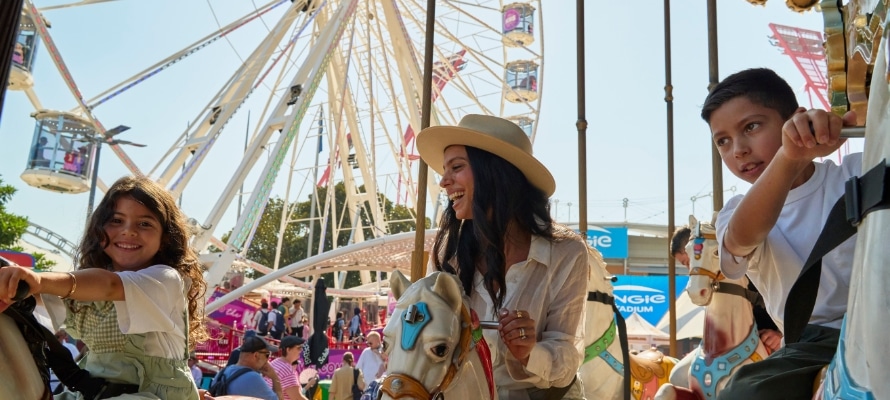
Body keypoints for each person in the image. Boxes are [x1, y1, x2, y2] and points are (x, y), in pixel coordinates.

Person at [701, 68, 860, 400]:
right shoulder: (735, 212)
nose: (739, 149)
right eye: (723, 141)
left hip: (876, 316)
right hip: (815, 344)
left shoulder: (857, 171)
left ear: (795, 119)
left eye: (751, 127)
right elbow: (743, 237)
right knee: (743, 392)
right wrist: (790, 156)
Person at [416, 114, 588, 399]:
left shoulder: (566, 252)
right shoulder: (448, 250)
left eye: (456, 167)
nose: (444, 181)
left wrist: (530, 352)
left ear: (493, 173)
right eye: (444, 171)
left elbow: (567, 355)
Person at [0, 175, 209, 399]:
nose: (129, 231)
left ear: (166, 237)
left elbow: (109, 286)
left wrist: (38, 281)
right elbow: (37, 299)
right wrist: (12, 288)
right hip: (94, 391)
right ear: (99, 230)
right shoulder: (86, 288)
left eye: (145, 224)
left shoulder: (165, 279)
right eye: (116, 220)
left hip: (150, 394)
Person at [670, 225, 782, 352]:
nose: (690, 269)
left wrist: (780, 334)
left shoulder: (748, 267)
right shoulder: (714, 284)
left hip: (774, 341)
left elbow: (786, 296)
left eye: (687, 262)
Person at [211, 336, 283, 400]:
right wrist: (274, 377)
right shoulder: (253, 378)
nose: (268, 360)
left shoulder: (222, 372)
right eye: (267, 355)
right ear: (256, 355)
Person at [264, 335, 308, 400]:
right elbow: (297, 398)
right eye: (298, 348)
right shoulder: (287, 370)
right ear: (288, 349)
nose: (301, 350)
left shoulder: (275, 362)